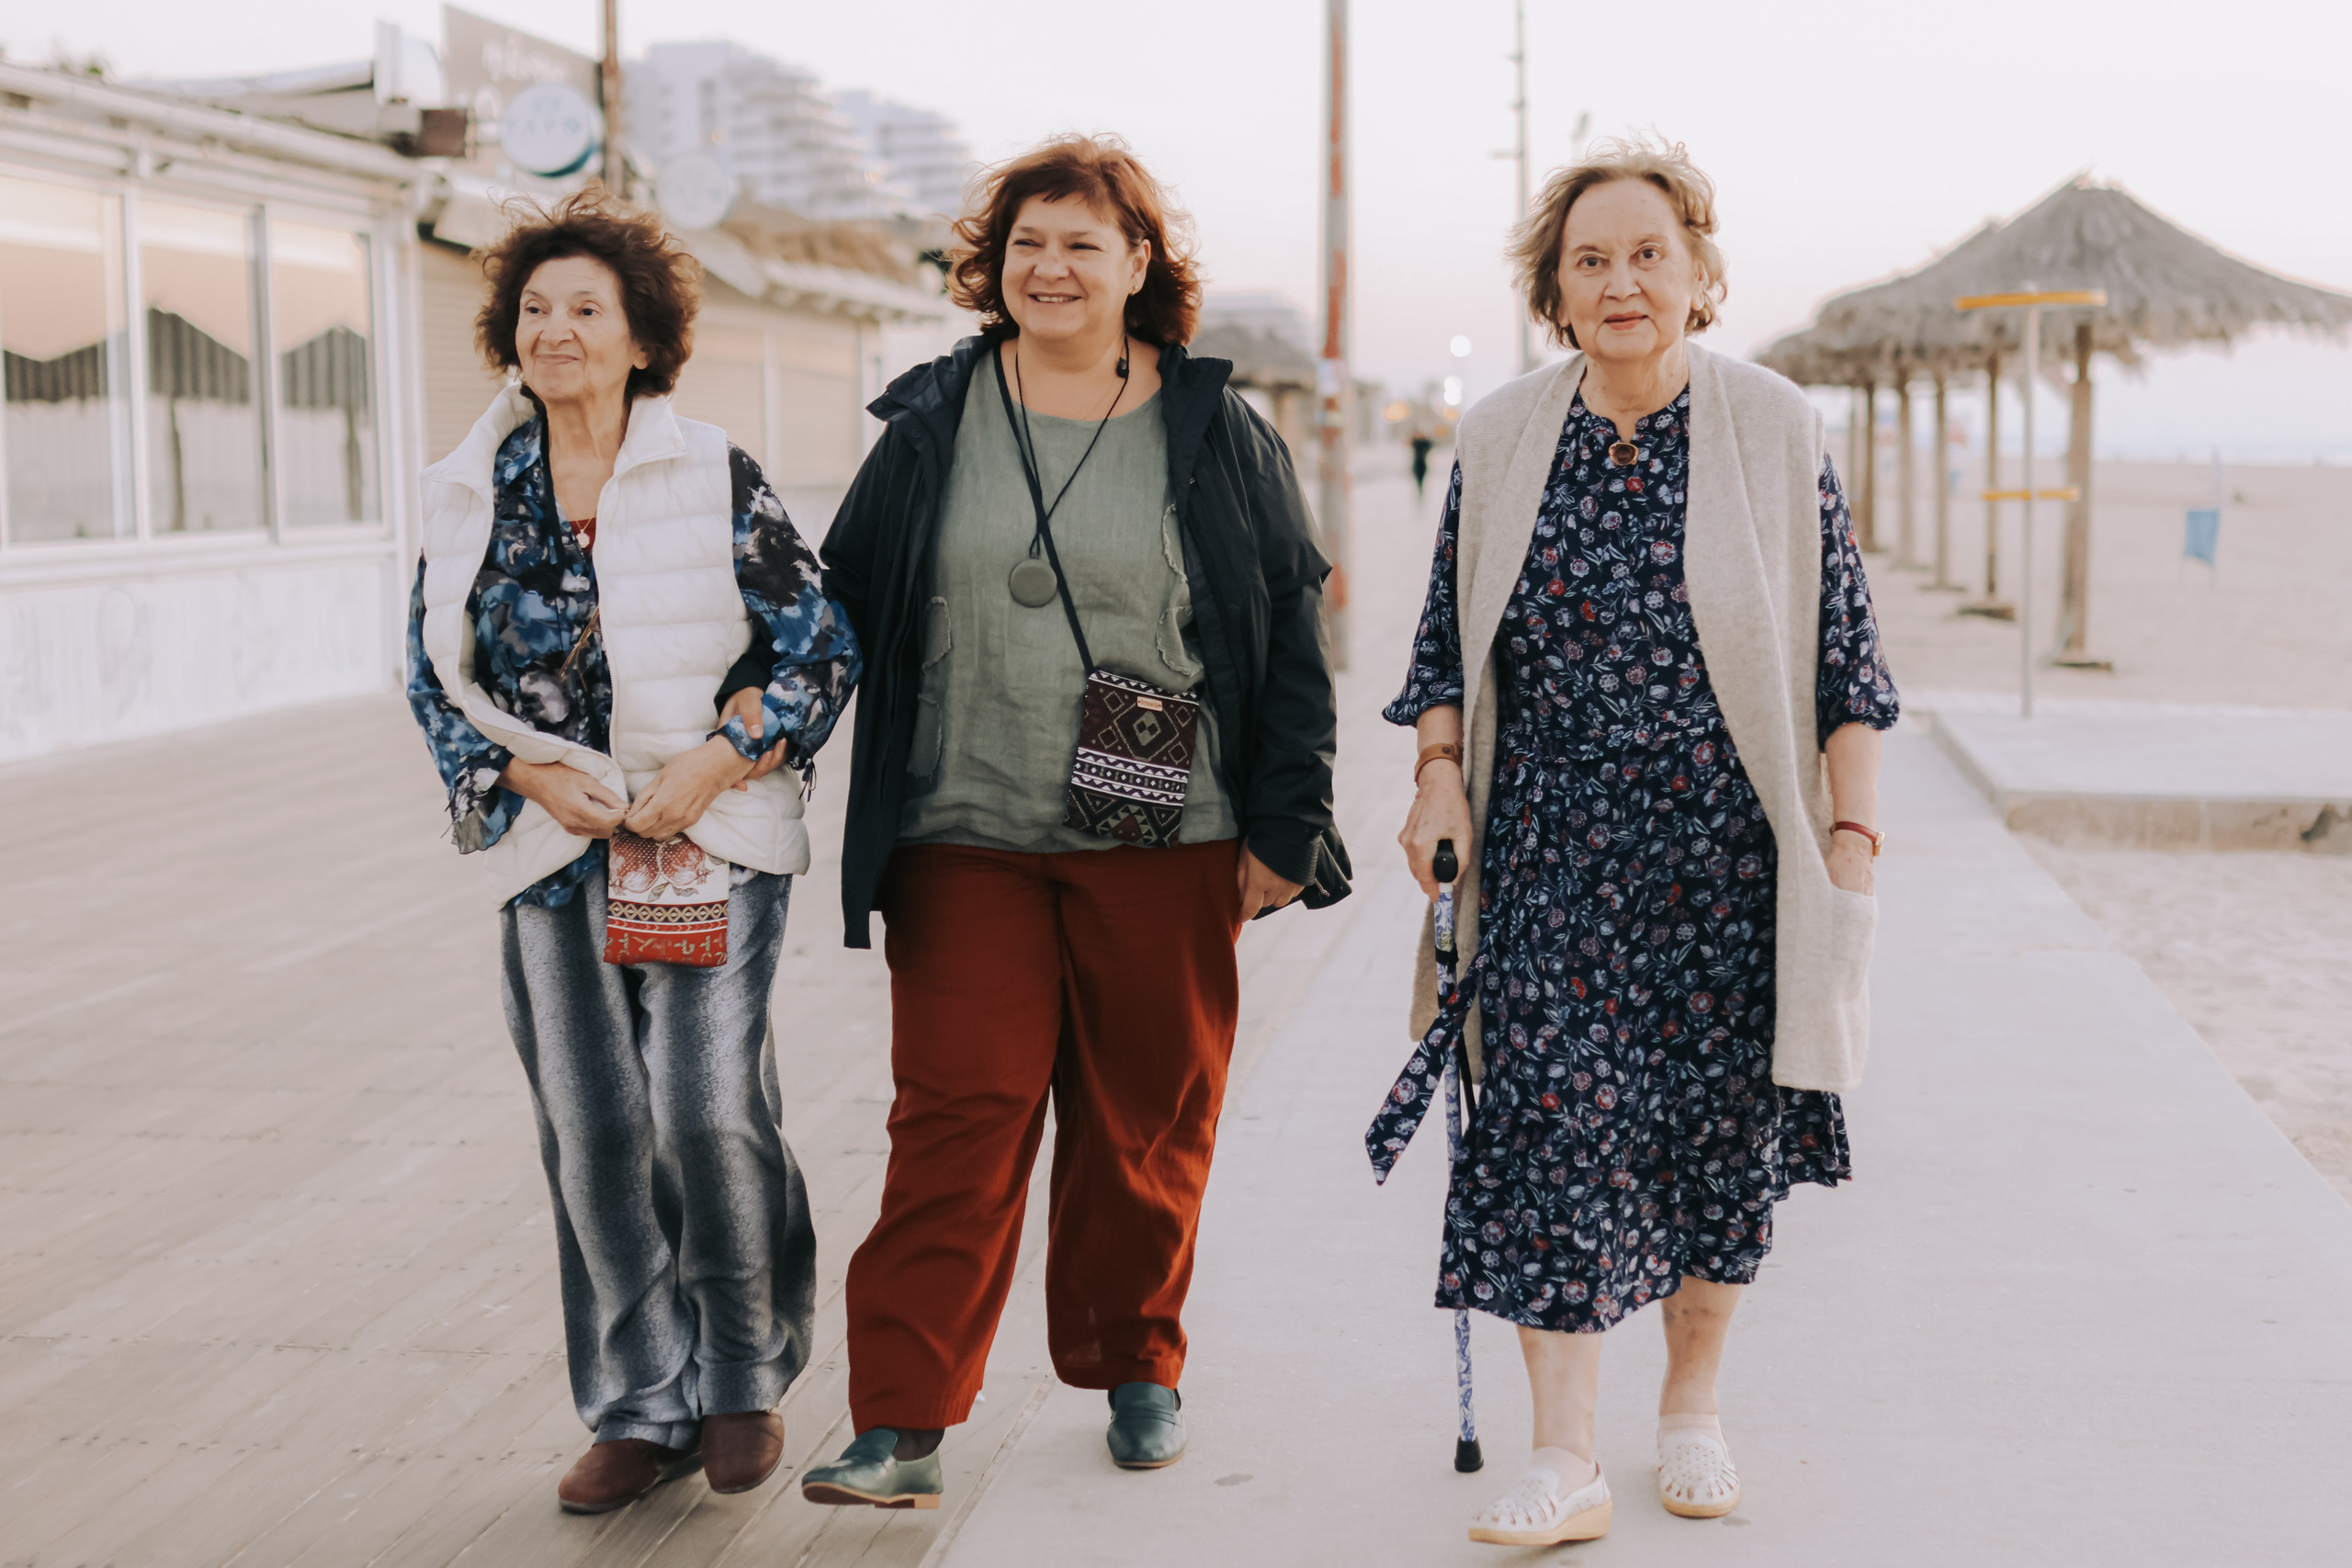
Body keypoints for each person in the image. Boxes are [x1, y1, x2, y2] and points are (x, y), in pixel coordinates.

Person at [799, 134, 1350, 1511]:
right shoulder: (932, 417)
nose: (1051, 267)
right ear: (993, 264)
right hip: (963, 827)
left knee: (1145, 1114)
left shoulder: (1213, 428)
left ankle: (1135, 1362)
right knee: (957, 1115)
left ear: (1139, 268)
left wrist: (1290, 823)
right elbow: (835, 609)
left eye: (1082, 244)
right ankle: (901, 1415)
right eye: (1027, 243)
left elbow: (1288, 628)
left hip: (1163, 828)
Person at [1369, 138, 1899, 1546]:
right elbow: (1443, 649)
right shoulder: (1496, 435)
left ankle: (1692, 1408)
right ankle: (1564, 1454)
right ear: (1554, 291)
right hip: (1547, 863)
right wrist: (1437, 777)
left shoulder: (1775, 428)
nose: (1620, 281)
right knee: (1550, 1137)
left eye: (1647, 253)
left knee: (1712, 1149)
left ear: (1701, 273)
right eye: (1589, 259)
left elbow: (1849, 663)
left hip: (1731, 869)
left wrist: (1852, 835)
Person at [405, 191, 861, 1516]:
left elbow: (818, 647)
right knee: (595, 1130)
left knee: (705, 1107)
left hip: (707, 833)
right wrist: (521, 771)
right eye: (536, 308)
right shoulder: (464, 490)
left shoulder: (713, 470)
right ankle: (637, 1403)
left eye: (586, 308)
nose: (556, 329)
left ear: (643, 335)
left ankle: (741, 1373)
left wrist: (721, 759)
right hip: (550, 848)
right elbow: (431, 676)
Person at [1410, 430, 1434, 497]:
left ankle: (1420, 490)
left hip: (1422, 464)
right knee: (1418, 479)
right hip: (1417, 463)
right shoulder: (1416, 442)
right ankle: (1419, 490)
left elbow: (1430, 444)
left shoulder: (1424, 443)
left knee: (1422, 479)